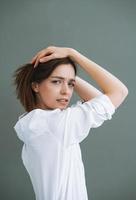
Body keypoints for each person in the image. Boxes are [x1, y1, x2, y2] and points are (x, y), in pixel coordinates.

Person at [13, 46, 128, 200]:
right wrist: (73, 54)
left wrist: (65, 73)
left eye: (71, 84)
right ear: (35, 86)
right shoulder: (56, 125)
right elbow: (119, 92)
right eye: (56, 82)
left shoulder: (35, 124)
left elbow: (99, 100)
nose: (66, 91)